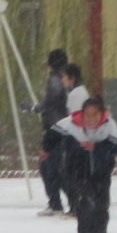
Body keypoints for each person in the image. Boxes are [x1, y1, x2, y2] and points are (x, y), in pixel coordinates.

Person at [55, 95, 117, 233]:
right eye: (88, 114)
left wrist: (97, 148)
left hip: (102, 174)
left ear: (102, 114)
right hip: (80, 174)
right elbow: (61, 143)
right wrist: (78, 148)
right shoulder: (72, 126)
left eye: (95, 114)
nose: (91, 118)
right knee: (86, 202)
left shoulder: (109, 126)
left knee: (102, 207)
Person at [31, 49, 72, 216]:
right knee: (54, 166)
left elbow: (51, 102)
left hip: (55, 128)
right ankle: (67, 200)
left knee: (49, 166)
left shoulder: (56, 79)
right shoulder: (68, 79)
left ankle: (59, 202)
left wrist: (35, 108)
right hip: (64, 127)